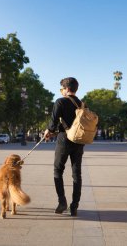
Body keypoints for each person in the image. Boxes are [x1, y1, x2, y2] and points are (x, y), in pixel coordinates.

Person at [44, 77, 84, 216]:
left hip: (64, 140)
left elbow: (53, 123)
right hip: (79, 141)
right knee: (76, 173)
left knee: (57, 170)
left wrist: (48, 132)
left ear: (66, 89)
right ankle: (74, 207)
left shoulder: (60, 101)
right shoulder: (82, 104)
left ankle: (62, 201)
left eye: (62, 88)